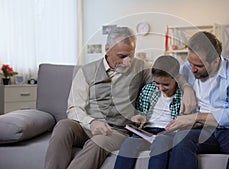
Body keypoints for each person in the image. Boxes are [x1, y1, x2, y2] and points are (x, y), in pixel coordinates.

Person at [44, 26, 196, 169]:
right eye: (122, 56)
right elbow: (74, 108)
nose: (128, 61)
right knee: (63, 126)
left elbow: (166, 74)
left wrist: (187, 88)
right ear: (107, 50)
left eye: (131, 55)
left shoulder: (140, 68)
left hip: (116, 131)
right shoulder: (86, 71)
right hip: (87, 125)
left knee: (99, 142)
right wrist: (92, 122)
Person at [166, 31, 229, 169]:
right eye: (189, 62)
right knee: (181, 139)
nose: (192, 69)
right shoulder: (188, 68)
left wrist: (195, 118)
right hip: (203, 131)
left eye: (198, 66)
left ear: (216, 60)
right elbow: (173, 76)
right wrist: (186, 87)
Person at [114, 55, 182, 169]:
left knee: (160, 142)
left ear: (177, 78)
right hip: (147, 132)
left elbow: (183, 122)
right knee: (129, 142)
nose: (160, 88)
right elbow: (141, 111)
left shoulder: (183, 95)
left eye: (165, 84)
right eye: (157, 83)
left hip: (168, 133)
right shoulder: (148, 90)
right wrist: (139, 117)